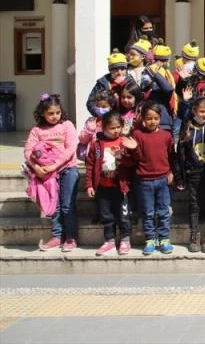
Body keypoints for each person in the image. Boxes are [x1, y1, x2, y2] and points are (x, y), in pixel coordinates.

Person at [25, 94, 79, 252]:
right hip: (47, 175)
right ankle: (56, 236)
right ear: (42, 113)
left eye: (57, 112)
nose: (55, 116)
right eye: (50, 113)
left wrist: (54, 165)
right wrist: (36, 167)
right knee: (54, 206)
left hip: (68, 169)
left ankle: (70, 237)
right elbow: (28, 150)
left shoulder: (67, 125)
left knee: (67, 206)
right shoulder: (37, 130)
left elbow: (70, 149)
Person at [175, 97, 205, 253]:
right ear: (194, 111)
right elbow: (179, 155)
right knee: (194, 206)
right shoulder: (187, 128)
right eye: (202, 111)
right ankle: (194, 235)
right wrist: (179, 176)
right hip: (192, 173)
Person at [84, 111, 134, 256]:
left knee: (123, 215)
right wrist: (89, 185)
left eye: (118, 127)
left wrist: (122, 157)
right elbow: (89, 165)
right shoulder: (97, 145)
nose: (116, 131)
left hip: (121, 187)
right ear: (104, 128)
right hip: (103, 187)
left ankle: (125, 239)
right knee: (106, 215)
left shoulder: (124, 142)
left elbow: (132, 162)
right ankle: (109, 240)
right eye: (112, 128)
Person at [129, 101, 175, 255]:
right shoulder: (138, 135)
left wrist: (170, 172)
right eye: (148, 118)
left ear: (160, 118)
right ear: (142, 118)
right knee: (148, 212)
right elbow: (137, 157)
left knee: (163, 211)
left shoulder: (166, 135)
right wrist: (134, 148)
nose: (152, 121)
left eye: (155, 118)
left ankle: (164, 238)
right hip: (145, 180)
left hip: (162, 179)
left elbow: (170, 156)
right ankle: (150, 239)